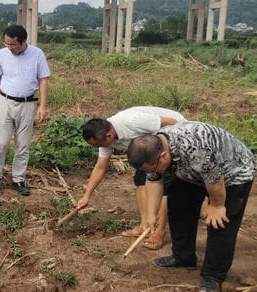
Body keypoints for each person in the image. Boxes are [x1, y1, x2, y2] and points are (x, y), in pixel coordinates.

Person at [126, 122, 256, 292]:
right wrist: (151, 216)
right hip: (190, 171)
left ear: (163, 156)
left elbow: (216, 181)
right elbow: (154, 179)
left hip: (232, 173)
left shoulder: (197, 148)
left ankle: (213, 276)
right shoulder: (153, 147)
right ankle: (183, 257)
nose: (153, 171)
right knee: (179, 208)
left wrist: (216, 205)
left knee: (219, 223)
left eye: (153, 167)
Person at [74, 107, 187, 250]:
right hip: (146, 149)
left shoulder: (132, 121)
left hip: (172, 140)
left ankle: (159, 231)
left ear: (108, 136)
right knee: (140, 179)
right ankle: (145, 225)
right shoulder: (104, 136)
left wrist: (166, 150)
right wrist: (86, 196)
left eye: (99, 145)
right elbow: (100, 167)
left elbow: (173, 122)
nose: (99, 147)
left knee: (165, 184)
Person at [0, 24, 50, 196]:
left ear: (23, 42)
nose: (9, 47)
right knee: (0, 143)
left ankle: (19, 179)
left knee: (23, 145)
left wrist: (43, 106)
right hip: (5, 102)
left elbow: (43, 80)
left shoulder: (37, 54)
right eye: (7, 44)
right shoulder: (2, 54)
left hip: (27, 104)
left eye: (13, 44)